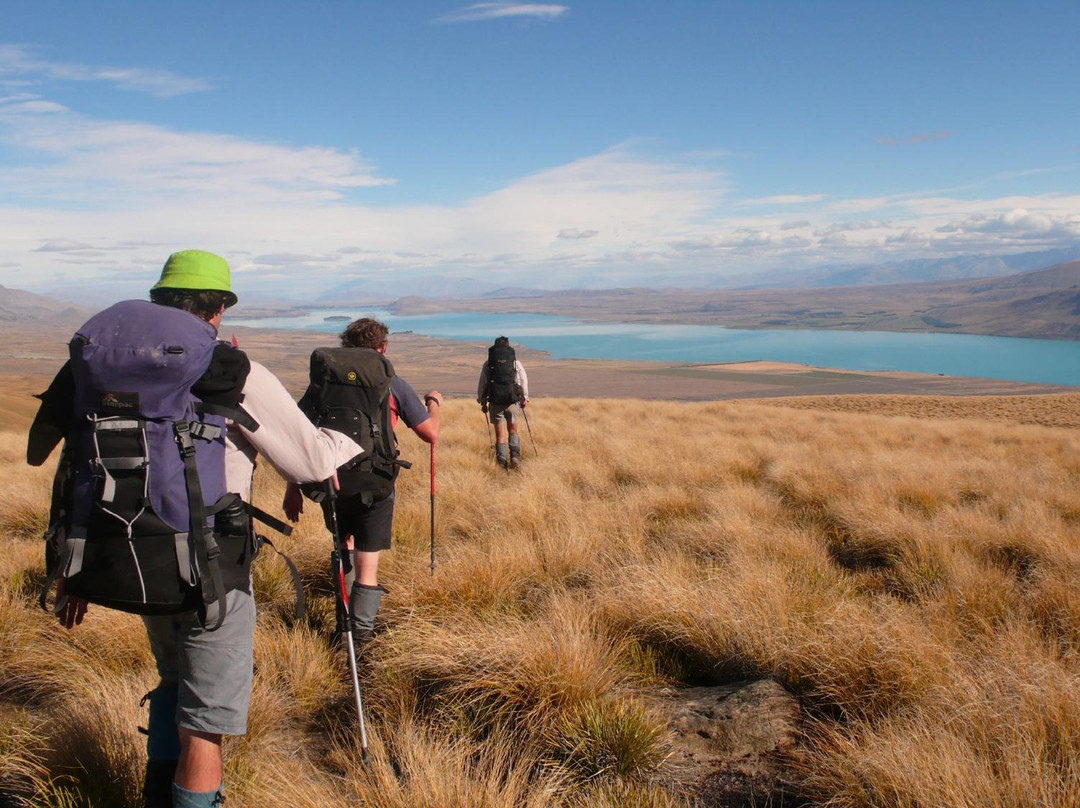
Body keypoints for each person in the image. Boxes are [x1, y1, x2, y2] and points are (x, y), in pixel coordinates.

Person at [27, 250, 363, 808]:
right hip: (208, 567)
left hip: (127, 554)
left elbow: (44, 454)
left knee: (172, 681)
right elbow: (309, 465)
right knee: (206, 722)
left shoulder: (96, 361)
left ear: (160, 300)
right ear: (219, 310)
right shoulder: (229, 367)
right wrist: (348, 438)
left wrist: (64, 563)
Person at [284, 317, 441, 646]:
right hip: (376, 481)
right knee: (367, 564)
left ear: (345, 345)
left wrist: (293, 488)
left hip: (331, 481)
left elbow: (298, 434)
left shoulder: (324, 382)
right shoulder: (390, 381)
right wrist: (434, 404)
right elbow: (430, 434)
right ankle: (361, 638)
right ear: (382, 348)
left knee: (344, 548)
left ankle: (343, 628)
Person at [476, 335, 529, 468]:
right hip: (512, 401)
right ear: (508, 346)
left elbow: (482, 384)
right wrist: (524, 398)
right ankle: (515, 457)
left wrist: (483, 402)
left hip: (495, 402)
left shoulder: (488, 364)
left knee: (500, 436)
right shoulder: (515, 362)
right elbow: (523, 380)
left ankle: (502, 464)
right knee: (513, 430)